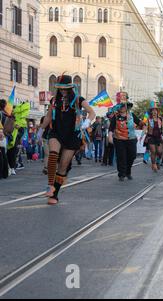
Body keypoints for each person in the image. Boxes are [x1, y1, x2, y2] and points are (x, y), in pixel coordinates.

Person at [41, 74, 95, 205]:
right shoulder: (54, 100)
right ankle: (50, 186)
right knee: (53, 154)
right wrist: (40, 130)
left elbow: (91, 112)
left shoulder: (78, 99)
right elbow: (48, 117)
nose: (62, 91)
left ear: (70, 88)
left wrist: (86, 122)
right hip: (56, 133)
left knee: (63, 167)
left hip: (72, 136)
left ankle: (55, 194)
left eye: (65, 88)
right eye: (60, 88)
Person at [107, 92, 144, 181]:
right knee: (121, 157)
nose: (123, 107)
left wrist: (144, 127)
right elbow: (111, 128)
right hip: (119, 139)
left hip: (131, 139)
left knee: (132, 156)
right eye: (121, 106)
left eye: (124, 106)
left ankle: (128, 171)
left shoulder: (132, 115)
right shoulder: (115, 117)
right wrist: (110, 137)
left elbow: (140, 123)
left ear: (127, 106)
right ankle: (122, 174)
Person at [144, 106, 163, 172]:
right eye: (153, 110)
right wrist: (144, 131)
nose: (154, 112)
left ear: (157, 112)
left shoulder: (160, 119)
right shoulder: (149, 120)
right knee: (153, 151)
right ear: (151, 112)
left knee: (160, 152)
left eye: (156, 110)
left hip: (159, 137)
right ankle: (153, 164)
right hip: (151, 137)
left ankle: (158, 161)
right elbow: (145, 127)